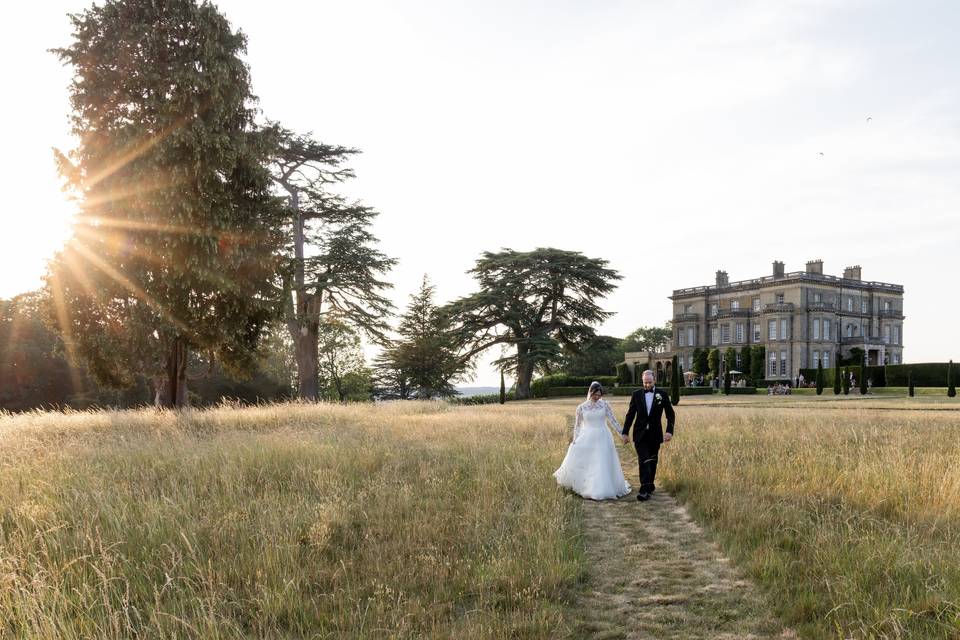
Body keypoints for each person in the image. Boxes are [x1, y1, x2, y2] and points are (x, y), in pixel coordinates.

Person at [553, 382, 631, 500]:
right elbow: (577, 426)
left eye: (599, 395)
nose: (597, 397)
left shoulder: (605, 405)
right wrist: (575, 440)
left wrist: (622, 434)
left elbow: (613, 421)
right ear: (590, 392)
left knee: (601, 461)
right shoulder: (581, 408)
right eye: (595, 395)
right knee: (589, 462)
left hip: (603, 436)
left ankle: (603, 488)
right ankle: (587, 486)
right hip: (587, 436)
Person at [622, 370, 675, 502]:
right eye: (645, 382)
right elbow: (630, 414)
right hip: (639, 434)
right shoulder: (636, 395)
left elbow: (670, 414)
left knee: (652, 461)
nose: (647, 385)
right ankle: (644, 489)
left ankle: (650, 485)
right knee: (643, 460)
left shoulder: (662, 395)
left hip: (655, 434)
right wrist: (625, 432)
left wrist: (669, 431)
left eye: (649, 382)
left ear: (654, 380)